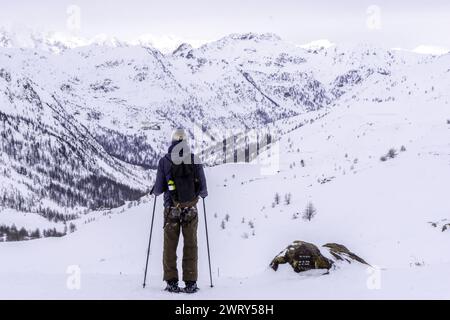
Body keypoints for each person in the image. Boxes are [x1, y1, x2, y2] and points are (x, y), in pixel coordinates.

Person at [151, 128, 208, 293]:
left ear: (172, 141)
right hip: (190, 209)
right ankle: (190, 282)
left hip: (171, 209)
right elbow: (204, 190)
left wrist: (155, 190)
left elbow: (159, 189)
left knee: (170, 245)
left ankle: (171, 281)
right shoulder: (194, 159)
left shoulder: (165, 161)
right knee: (190, 244)